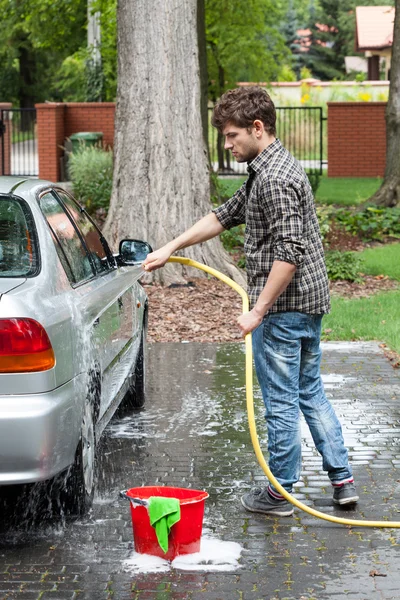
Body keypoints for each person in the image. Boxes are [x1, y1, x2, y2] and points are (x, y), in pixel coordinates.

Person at [143, 86, 358, 517]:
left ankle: (280, 494)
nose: (227, 145)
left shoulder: (276, 179)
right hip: (307, 305)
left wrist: (258, 310)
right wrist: (171, 246)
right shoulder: (267, 170)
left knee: (280, 402)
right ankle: (342, 481)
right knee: (309, 393)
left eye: (231, 135)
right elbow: (223, 215)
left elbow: (290, 253)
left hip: (283, 310)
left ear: (257, 128)